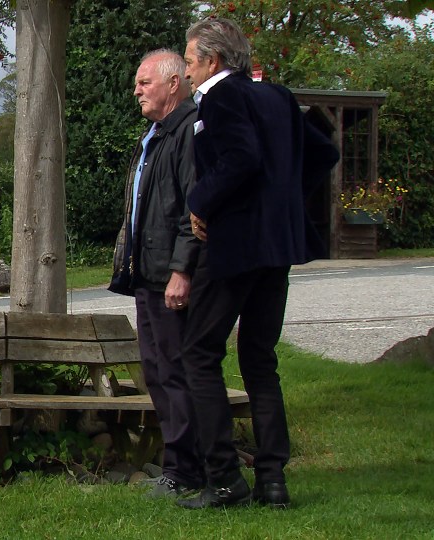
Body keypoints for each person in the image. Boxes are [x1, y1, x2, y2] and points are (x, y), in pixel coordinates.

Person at [176, 18, 339, 510]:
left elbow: (240, 159)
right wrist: (284, 202)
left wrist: (200, 202)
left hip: (237, 246)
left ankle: (224, 478)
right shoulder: (279, 97)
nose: (185, 73)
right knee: (260, 360)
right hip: (278, 248)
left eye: (188, 61)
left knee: (199, 353)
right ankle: (273, 480)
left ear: (213, 61)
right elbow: (323, 153)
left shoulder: (222, 97)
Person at [108, 49, 203, 498]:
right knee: (157, 369)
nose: (137, 90)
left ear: (173, 84)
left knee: (176, 370)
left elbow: (192, 210)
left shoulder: (188, 132)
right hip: (147, 275)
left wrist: (181, 270)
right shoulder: (156, 133)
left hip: (170, 277)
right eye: (136, 83)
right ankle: (179, 464)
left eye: (145, 82)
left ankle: (188, 469)